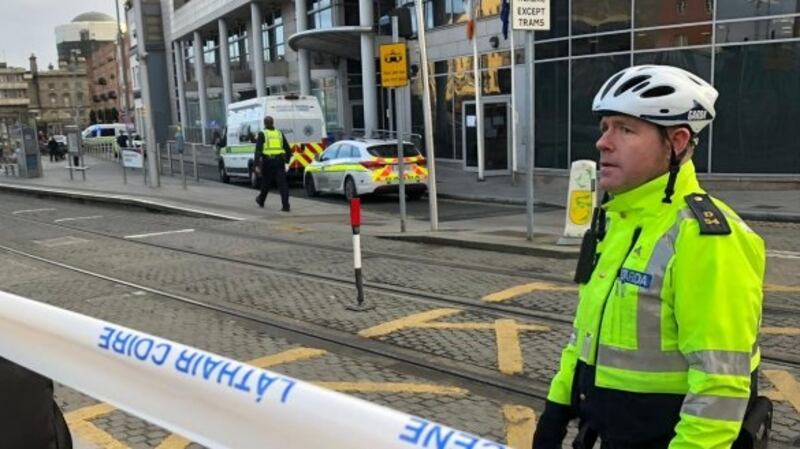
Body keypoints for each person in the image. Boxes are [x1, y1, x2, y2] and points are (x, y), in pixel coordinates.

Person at [533, 65, 768, 449]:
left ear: (675, 142)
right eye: (605, 126)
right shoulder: (615, 221)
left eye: (625, 129)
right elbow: (584, 336)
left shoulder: (706, 237)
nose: (603, 143)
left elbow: (720, 384)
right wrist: (555, 410)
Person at [254, 116, 291, 212]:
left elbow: (258, 150)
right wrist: (287, 161)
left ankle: (261, 200)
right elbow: (288, 149)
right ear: (273, 123)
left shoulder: (263, 134)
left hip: (268, 161)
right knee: (282, 184)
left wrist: (257, 165)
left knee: (266, 182)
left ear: (265, 124)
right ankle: (286, 206)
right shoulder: (279, 133)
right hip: (279, 161)